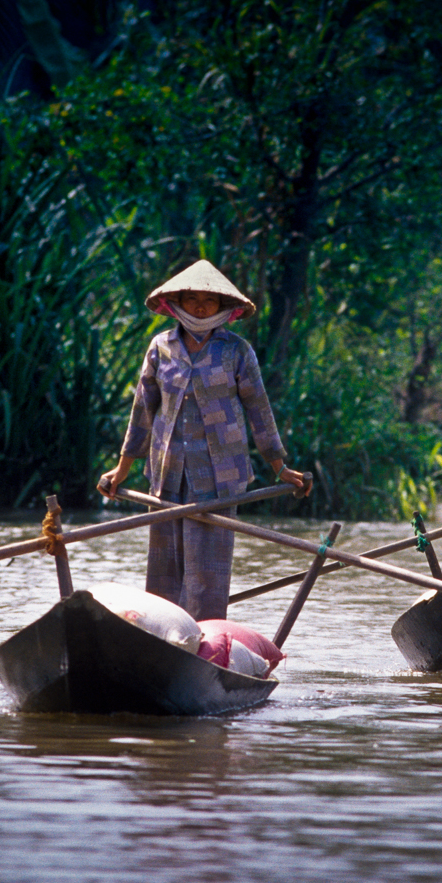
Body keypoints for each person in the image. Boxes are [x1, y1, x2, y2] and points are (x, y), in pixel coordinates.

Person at [97, 259, 310, 620]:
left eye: (208, 301)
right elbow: (142, 411)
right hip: (167, 471)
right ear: (177, 302)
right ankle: (163, 631)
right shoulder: (161, 347)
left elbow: (259, 410)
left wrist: (281, 467)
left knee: (207, 570)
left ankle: (204, 634)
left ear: (222, 307)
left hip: (218, 473)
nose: (199, 307)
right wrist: (121, 470)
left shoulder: (236, 350)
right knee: (165, 565)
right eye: (191, 298)